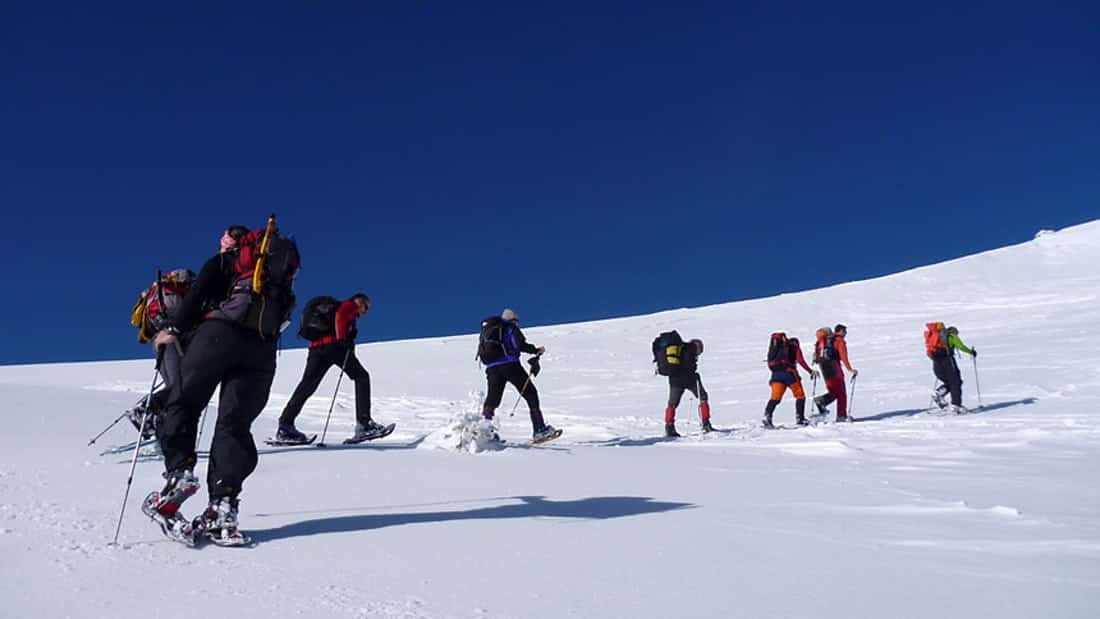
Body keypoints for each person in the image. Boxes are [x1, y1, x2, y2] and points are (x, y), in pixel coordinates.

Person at [145, 222, 298, 546]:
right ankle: (223, 504)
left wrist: (172, 328)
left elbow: (198, 294)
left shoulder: (225, 261)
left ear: (232, 242)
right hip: (262, 348)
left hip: (218, 336)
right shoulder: (277, 273)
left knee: (184, 402)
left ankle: (179, 475)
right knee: (235, 423)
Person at [277, 293, 390, 444]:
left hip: (316, 349)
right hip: (335, 347)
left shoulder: (333, 311)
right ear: (360, 301)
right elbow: (341, 315)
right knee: (361, 377)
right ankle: (364, 424)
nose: (366, 311)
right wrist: (344, 339)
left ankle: (285, 425)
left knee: (307, 385)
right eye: (366, 306)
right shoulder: (349, 305)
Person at [126, 268, 196, 441]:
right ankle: (145, 410)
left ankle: (158, 423)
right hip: (170, 341)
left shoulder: (160, 293)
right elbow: (180, 319)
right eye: (187, 283)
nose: (189, 286)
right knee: (178, 385)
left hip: (160, 341)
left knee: (174, 384)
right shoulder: (171, 296)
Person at [479, 309, 558, 442]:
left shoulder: (488, 330)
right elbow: (519, 344)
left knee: (492, 400)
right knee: (530, 393)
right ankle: (539, 429)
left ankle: (486, 433)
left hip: (492, 369)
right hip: (510, 366)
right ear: (513, 319)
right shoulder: (509, 327)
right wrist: (535, 350)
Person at [763, 334, 817, 428]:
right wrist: (810, 371)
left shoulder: (776, 348)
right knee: (800, 396)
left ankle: (767, 416)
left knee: (775, 398)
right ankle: (800, 419)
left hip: (776, 375)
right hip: (790, 374)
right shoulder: (794, 345)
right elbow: (800, 360)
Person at [664, 338, 712, 437]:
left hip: (674, 380)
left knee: (672, 404)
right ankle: (706, 424)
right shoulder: (690, 350)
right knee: (703, 397)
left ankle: (669, 427)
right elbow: (688, 367)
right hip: (689, 380)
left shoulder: (680, 350)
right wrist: (695, 375)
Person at [812, 324, 858, 422]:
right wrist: (850, 369)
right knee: (841, 393)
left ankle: (822, 401)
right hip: (834, 368)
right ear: (840, 331)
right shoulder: (839, 341)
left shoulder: (823, 342)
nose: (846, 334)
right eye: (845, 331)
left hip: (824, 369)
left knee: (834, 391)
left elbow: (816, 357)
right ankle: (841, 415)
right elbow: (843, 356)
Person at [929, 324, 976, 414]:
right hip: (948, 362)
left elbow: (929, 353)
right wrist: (971, 352)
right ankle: (956, 406)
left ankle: (939, 393)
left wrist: (937, 359)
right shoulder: (951, 336)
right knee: (956, 382)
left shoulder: (935, 338)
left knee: (950, 382)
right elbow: (961, 346)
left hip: (936, 362)